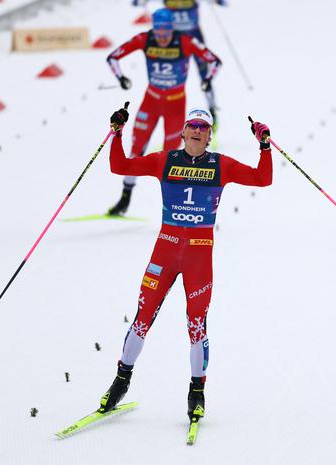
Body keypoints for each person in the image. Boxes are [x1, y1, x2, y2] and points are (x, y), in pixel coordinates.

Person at [99, 107, 272, 424]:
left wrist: (264, 146)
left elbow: (263, 179)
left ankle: (197, 393)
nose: (197, 131)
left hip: (199, 256)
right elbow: (119, 165)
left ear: (209, 135)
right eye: (192, 125)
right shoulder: (164, 160)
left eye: (203, 127)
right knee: (143, 316)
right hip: (164, 253)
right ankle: (120, 382)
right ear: (182, 132)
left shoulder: (221, 165)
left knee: (196, 325)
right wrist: (117, 132)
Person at [106, 7, 222, 216]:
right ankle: (125, 199)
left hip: (175, 104)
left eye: (166, 33)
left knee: (173, 157)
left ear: (172, 29)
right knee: (137, 147)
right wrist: (120, 78)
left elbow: (215, 61)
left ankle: (174, 205)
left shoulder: (185, 41)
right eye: (158, 33)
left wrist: (206, 80)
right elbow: (112, 57)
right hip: (151, 100)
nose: (161, 38)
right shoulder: (145, 39)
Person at [132, 0, 227, 127]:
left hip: (194, 35)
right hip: (172, 39)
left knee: (205, 74)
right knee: (174, 79)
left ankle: (212, 112)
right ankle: (172, 125)